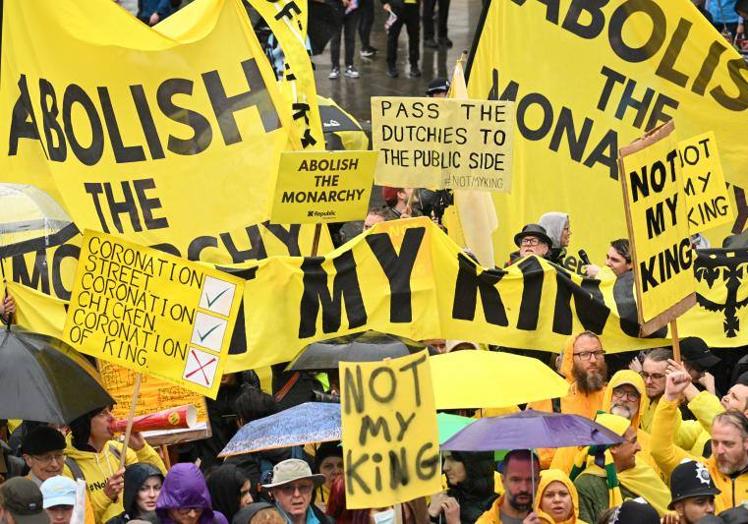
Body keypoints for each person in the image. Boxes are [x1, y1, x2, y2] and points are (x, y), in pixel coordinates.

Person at [650, 371, 748, 513]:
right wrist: (669, 398)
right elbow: (661, 451)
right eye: (714, 442)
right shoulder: (701, 472)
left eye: (728, 443)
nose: (719, 450)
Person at [63, 406, 166, 523]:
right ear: (84, 422)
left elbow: (164, 485)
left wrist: (142, 449)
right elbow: (78, 520)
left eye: (110, 411)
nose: (112, 417)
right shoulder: (68, 468)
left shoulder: (119, 450)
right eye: (102, 414)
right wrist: (106, 496)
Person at [573, 413, 669, 523]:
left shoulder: (641, 470)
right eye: (633, 441)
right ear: (613, 447)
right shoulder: (586, 485)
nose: (639, 447)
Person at [639, 349, 713, 456]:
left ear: (672, 376)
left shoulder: (673, 412)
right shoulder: (632, 397)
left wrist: (688, 387)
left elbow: (720, 424)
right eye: (645, 374)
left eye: (656, 376)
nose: (648, 381)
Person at [531, 332, 608, 420]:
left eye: (598, 353)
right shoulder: (548, 397)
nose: (593, 360)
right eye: (584, 354)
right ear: (570, 359)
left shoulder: (614, 396)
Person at [429, 451, 497, 523]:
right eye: (444, 459)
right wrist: (430, 515)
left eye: (452, 459)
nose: (445, 467)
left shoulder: (498, 507)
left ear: (472, 463)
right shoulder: (442, 500)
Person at [477, 450, 540, 523]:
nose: (524, 488)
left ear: (539, 481)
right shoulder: (485, 522)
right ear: (503, 481)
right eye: (516, 480)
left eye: (530, 480)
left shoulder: (547, 520)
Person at [262, 459, 331, 524]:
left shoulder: (327, 521)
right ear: (275, 494)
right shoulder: (263, 522)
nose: (297, 494)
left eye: (303, 487)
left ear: (311, 490)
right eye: (288, 488)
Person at [156, 463, 228, 524]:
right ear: (169, 503)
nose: (193, 515)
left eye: (197, 509)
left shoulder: (217, 521)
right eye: (185, 509)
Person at [383, 0, 421, 78]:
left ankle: (414, 64)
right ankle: (391, 65)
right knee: (392, 37)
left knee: (414, 37)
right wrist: (385, 2)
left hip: (413, 7)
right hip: (396, 7)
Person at [328, 0, 360, 79]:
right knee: (335, 38)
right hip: (335, 6)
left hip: (352, 7)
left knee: (350, 37)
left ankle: (349, 65)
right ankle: (335, 67)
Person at [312, 442, 343, 512]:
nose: (336, 471)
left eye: (341, 465)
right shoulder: (309, 501)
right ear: (318, 471)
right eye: (328, 466)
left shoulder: (357, 496)